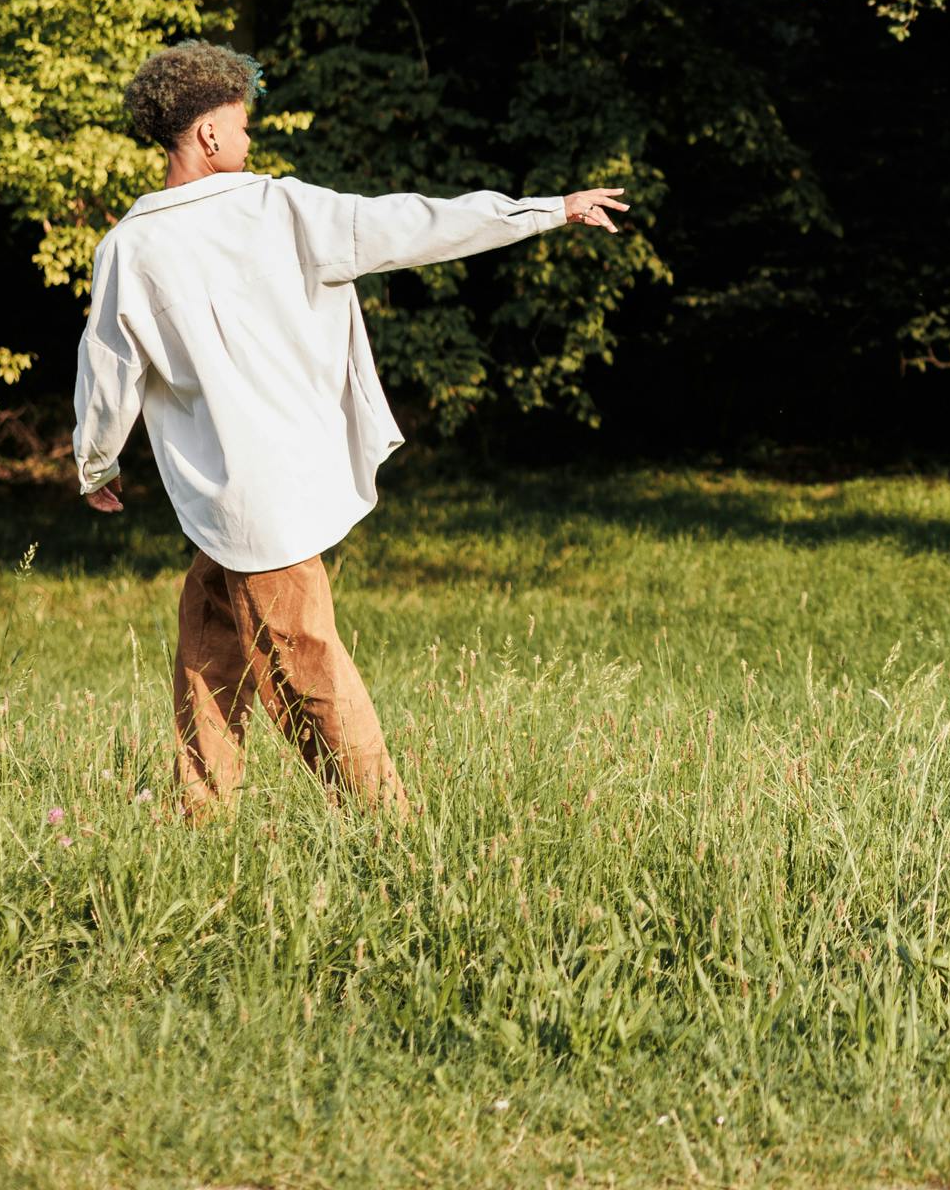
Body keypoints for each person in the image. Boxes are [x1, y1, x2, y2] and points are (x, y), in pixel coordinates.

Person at [71, 40, 629, 817]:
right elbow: (411, 224)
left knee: (288, 658)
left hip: (235, 495)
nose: (247, 136)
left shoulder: (128, 248)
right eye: (240, 122)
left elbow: (106, 371)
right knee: (240, 649)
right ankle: (334, 821)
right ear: (206, 136)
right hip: (258, 498)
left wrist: (96, 464)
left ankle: (348, 821)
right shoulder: (280, 208)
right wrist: (545, 210)